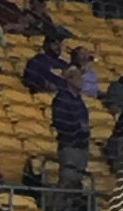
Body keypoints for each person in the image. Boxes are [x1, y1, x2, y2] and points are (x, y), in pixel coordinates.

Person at [52, 65, 91, 198]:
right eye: (78, 78)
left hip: (81, 147)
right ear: (69, 80)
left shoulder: (80, 102)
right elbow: (60, 122)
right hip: (69, 146)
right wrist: (78, 127)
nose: (81, 81)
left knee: (76, 184)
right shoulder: (61, 99)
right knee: (67, 183)